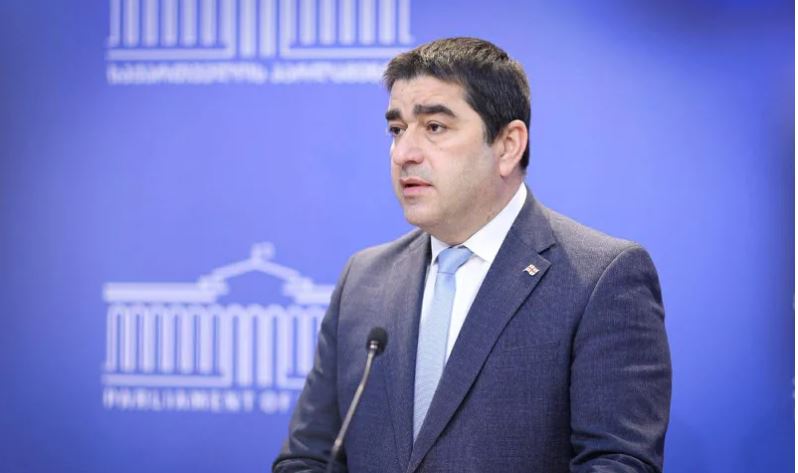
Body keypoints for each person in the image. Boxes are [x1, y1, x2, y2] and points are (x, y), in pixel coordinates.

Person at [273, 37, 671, 473]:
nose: (404, 153)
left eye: (434, 127)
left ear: (508, 145)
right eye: (397, 130)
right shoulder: (363, 280)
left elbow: (617, 462)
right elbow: (306, 457)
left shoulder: (600, 277)